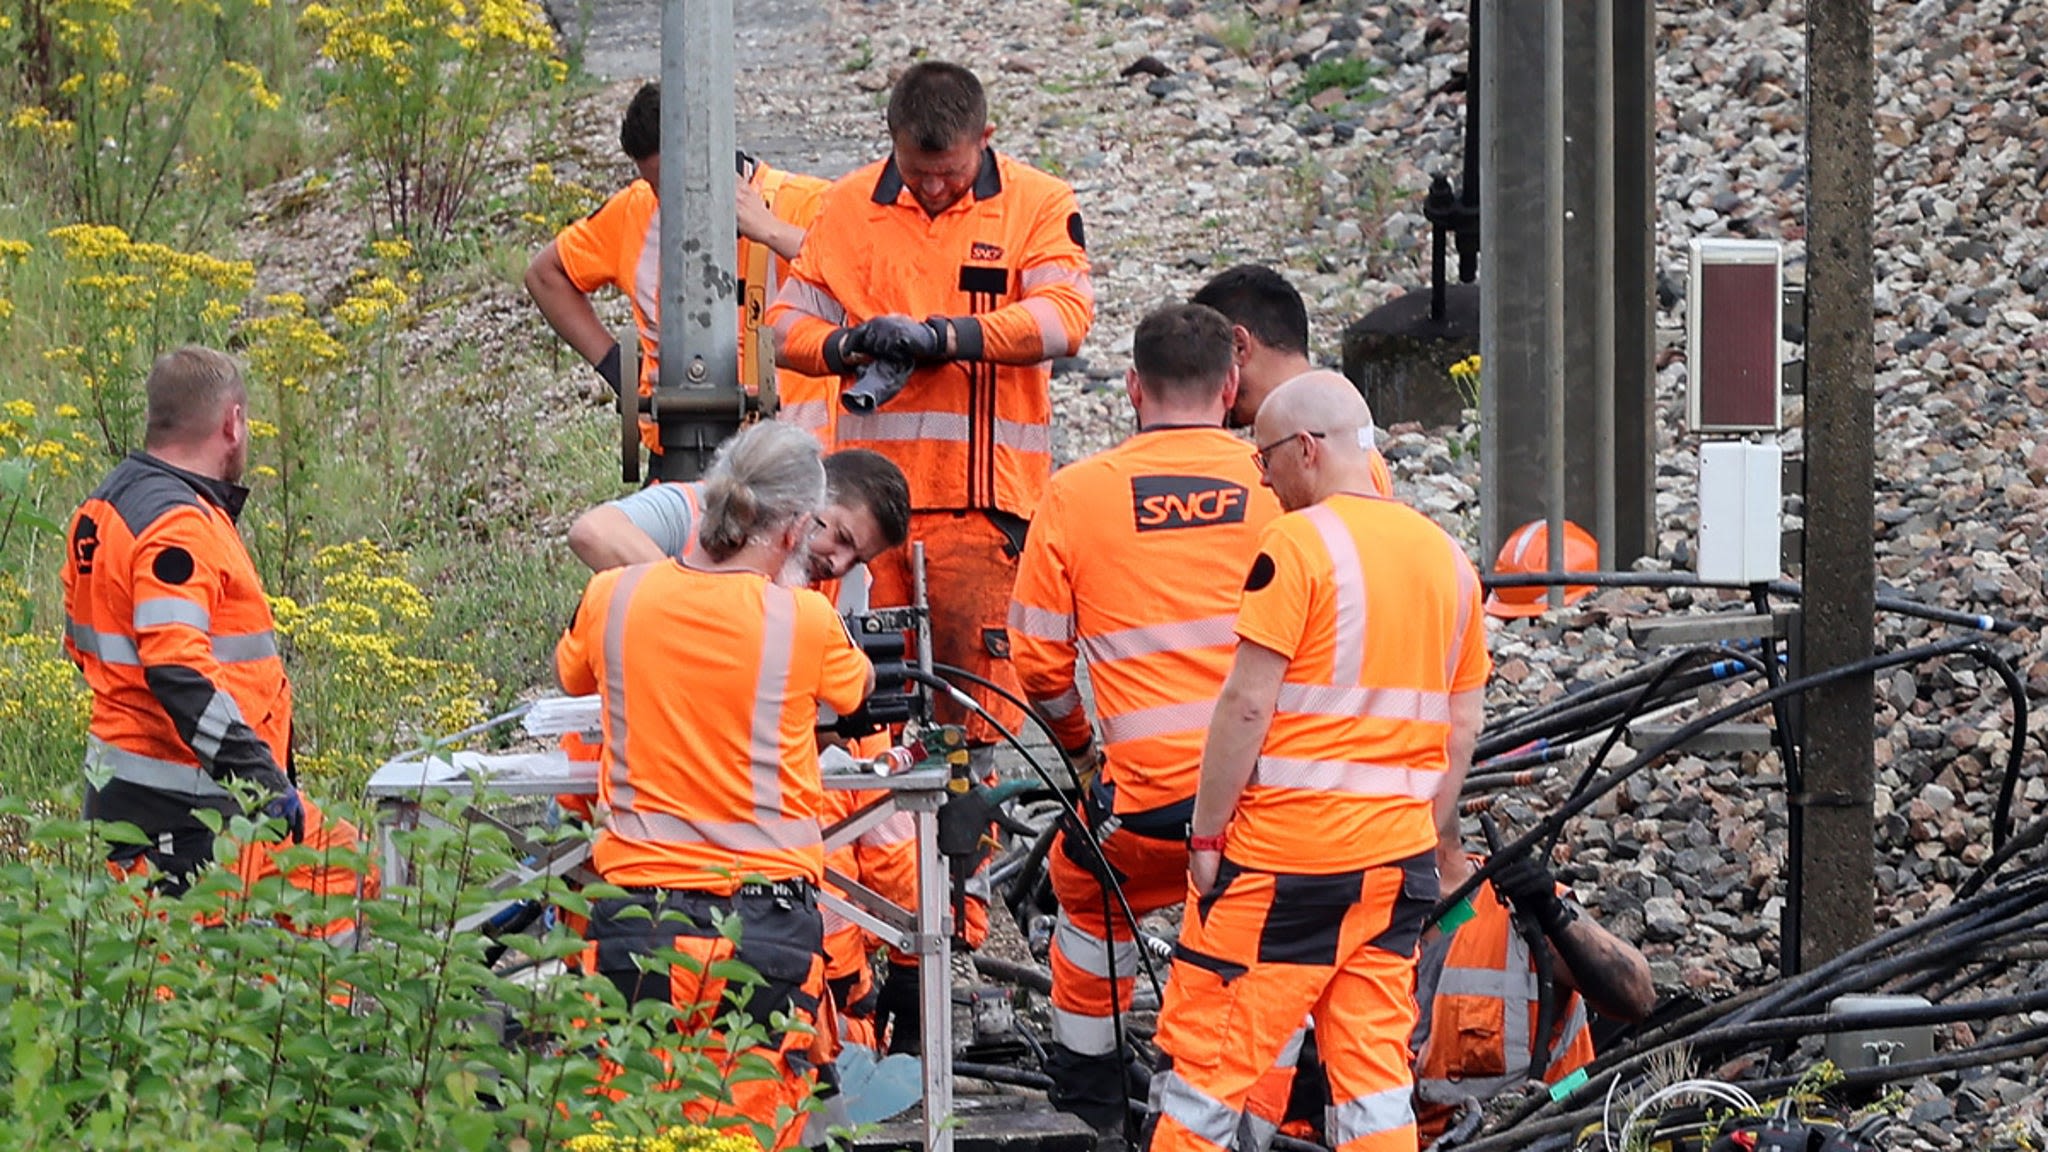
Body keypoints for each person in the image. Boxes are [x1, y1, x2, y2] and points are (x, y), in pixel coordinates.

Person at [1145, 374, 1488, 1152]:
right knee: (1374, 1086)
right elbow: (1461, 725)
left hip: (1284, 869)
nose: (1261, 481)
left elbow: (1245, 705)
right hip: (1394, 866)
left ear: (1306, 448)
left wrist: (1203, 837)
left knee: (1207, 1075)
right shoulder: (1448, 559)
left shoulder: (1299, 545)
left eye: (1264, 460)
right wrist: (1425, 835)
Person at [765, 59, 1096, 773]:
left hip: (981, 514)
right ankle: (859, 865)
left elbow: (1066, 318)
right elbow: (785, 326)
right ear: (891, 140)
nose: (936, 187)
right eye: (920, 174)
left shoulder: (1038, 203)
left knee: (969, 718)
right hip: (864, 517)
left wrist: (948, 339)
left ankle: (965, 878)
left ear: (987, 138)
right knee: (852, 704)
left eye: (950, 172)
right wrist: (846, 345)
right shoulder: (850, 207)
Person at [1007, 303, 1287, 1146]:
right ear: (1232, 386)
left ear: (1133, 388)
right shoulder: (1279, 483)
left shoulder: (1075, 496)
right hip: (1269, 809)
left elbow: (1039, 664)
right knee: (1280, 936)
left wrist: (1084, 751)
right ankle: (1269, 1107)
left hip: (1145, 809)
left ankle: (1091, 1093)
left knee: (1084, 885)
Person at [556, 420, 875, 1148]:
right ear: (795, 533)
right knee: (751, 1130)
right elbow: (857, 690)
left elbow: (570, 673)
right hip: (764, 933)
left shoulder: (614, 597)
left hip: (635, 923)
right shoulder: (806, 620)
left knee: (623, 1126)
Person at [62, 346, 371, 934]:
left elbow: (83, 647)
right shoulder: (177, 524)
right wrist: (258, 780)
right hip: (189, 815)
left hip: (155, 799)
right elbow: (178, 670)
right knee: (177, 989)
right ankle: (319, 1023)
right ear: (232, 423)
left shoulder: (100, 509)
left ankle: (315, 1020)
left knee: (343, 869)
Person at [524, 81, 836, 474]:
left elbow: (861, 276)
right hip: (679, 459)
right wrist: (619, 369)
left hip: (793, 469)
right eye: (657, 187)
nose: (668, 202)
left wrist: (770, 231)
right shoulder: (635, 210)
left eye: (680, 186)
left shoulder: (804, 202)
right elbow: (546, 275)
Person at [1410, 847, 1655, 1140]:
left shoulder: (1514, 901)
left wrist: (1553, 914)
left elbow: (1638, 997)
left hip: (1554, 1131)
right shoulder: (1353, 923)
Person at [1190, 265, 1394, 496]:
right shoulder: (1363, 458)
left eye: (1208, 365)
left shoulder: (1281, 467)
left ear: (1239, 346)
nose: (1210, 386)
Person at [567, 446, 911, 579]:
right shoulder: (694, 508)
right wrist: (693, 608)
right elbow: (593, 533)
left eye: (856, 560)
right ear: (812, 494)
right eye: (841, 537)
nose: (839, 564)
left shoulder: (828, 587)